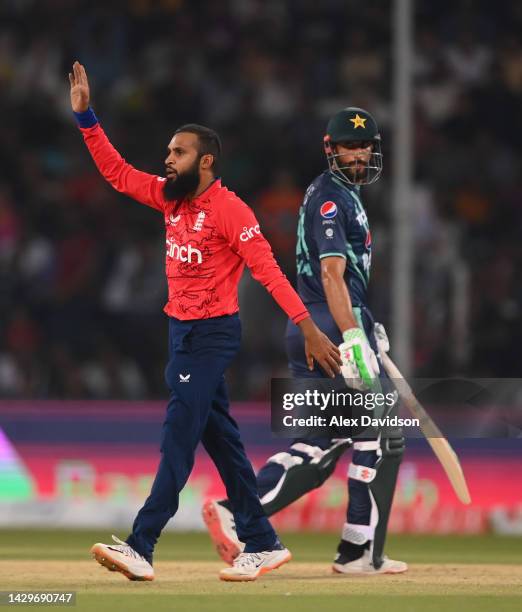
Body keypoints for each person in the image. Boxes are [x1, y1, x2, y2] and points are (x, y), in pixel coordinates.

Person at [68, 61, 342, 582]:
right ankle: (262, 541)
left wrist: (307, 325)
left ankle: (141, 545)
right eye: (169, 152)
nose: (167, 160)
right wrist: (86, 119)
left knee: (178, 437)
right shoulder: (170, 200)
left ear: (207, 161)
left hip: (212, 336)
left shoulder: (230, 210)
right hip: (181, 333)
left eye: (178, 152)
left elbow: (267, 269)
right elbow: (118, 173)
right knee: (223, 443)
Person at [203, 107, 408, 575]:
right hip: (329, 329)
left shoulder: (338, 195)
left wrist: (365, 320)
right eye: (349, 146)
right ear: (330, 149)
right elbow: (332, 275)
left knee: (318, 445)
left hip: (312, 326)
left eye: (365, 146)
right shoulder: (333, 199)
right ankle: (358, 553)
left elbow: (341, 282)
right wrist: (354, 335)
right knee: (380, 437)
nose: (358, 154)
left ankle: (240, 512)